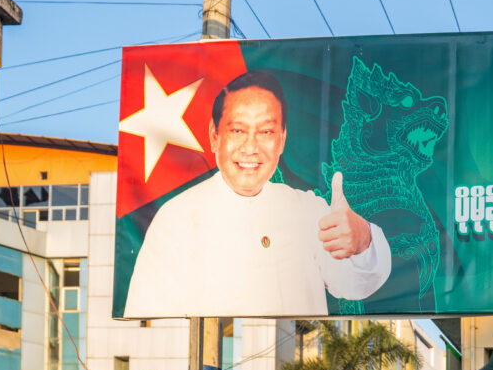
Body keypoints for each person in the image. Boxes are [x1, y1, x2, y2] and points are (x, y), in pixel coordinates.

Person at [123, 70, 391, 318]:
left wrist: (362, 238)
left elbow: (356, 285)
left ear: (282, 139)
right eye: (237, 130)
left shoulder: (309, 210)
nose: (250, 147)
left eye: (265, 132)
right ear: (214, 136)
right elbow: (147, 316)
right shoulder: (176, 218)